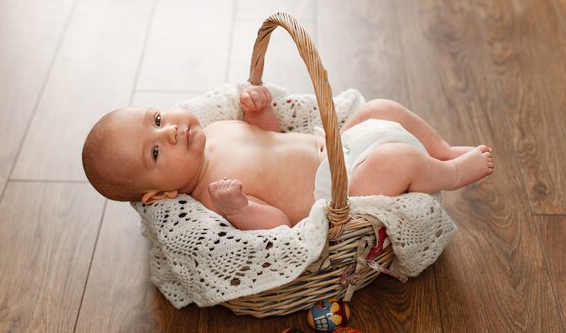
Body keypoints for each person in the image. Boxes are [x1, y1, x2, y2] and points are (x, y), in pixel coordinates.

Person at [82, 86, 494, 230]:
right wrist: (240, 208)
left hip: (335, 145)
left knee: (381, 108)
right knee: (397, 161)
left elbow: (271, 138)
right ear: (160, 194)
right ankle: (451, 172)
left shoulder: (216, 130)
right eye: (155, 150)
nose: (169, 130)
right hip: (340, 190)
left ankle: (441, 148)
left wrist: (260, 111)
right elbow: (278, 223)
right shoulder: (213, 196)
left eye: (156, 118)